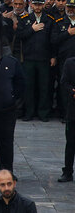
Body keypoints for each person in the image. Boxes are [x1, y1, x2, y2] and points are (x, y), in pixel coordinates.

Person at [59, 52, 75, 182]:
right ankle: (68, 171)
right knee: (70, 143)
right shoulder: (70, 63)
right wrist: (72, 91)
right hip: (73, 111)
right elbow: (64, 82)